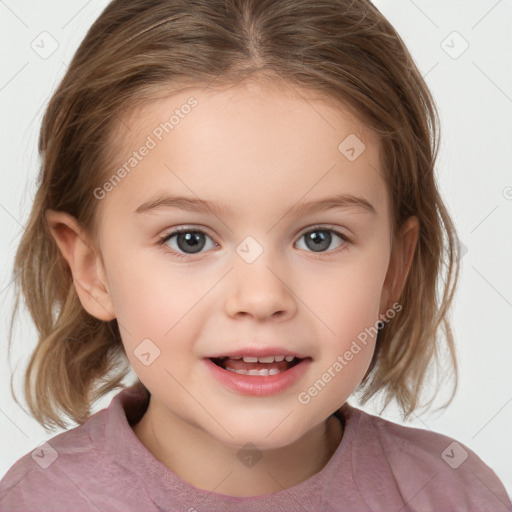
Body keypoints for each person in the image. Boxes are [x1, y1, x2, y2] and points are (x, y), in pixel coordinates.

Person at [1, 0, 510, 510]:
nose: (262, 297)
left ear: (393, 270)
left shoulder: (455, 494)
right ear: (92, 270)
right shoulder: (38, 500)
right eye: (189, 240)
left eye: (320, 238)